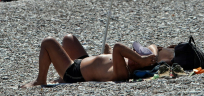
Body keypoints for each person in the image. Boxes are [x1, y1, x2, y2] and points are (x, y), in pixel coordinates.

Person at [21, 34, 157, 88]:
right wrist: (151, 57)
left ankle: (41, 80)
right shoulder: (126, 63)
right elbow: (153, 46)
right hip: (83, 61)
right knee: (69, 38)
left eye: (135, 53)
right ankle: (59, 76)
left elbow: (118, 47)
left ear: (137, 62)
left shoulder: (123, 72)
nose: (133, 52)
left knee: (48, 42)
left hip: (74, 73)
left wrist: (142, 60)